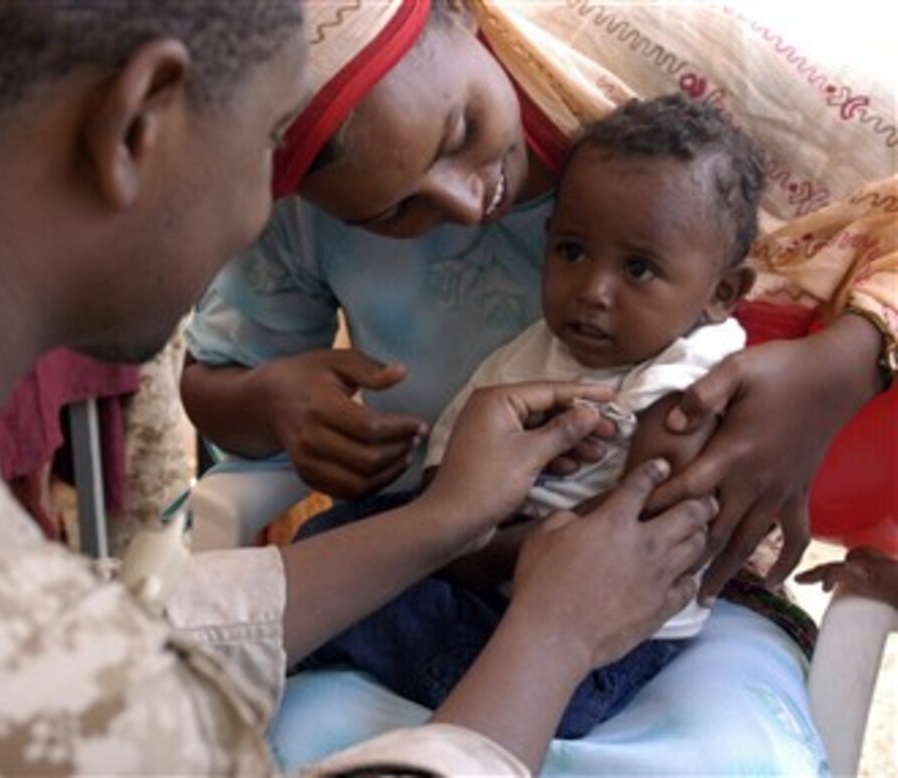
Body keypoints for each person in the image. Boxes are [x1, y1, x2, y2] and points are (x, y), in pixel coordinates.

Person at [0, 2, 712, 774]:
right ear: (138, 128)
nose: (266, 208)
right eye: (272, 139)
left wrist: (442, 523)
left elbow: (93, 636)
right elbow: (58, 673)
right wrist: (551, 640)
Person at [181, 0, 894, 770]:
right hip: (431, 542)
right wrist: (269, 403)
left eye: (460, 132)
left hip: (673, 586)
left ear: (463, 14)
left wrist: (849, 360)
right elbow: (208, 381)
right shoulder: (297, 208)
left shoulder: (659, 62)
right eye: (391, 211)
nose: (463, 203)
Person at [294, 93, 765, 738]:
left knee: (374, 610)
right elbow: (453, 471)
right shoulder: (541, 346)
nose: (593, 290)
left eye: (637, 268)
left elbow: (643, 526)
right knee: (333, 538)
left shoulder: (692, 372)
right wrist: (450, 521)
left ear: (720, 294)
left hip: (611, 621)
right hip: (500, 558)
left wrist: (479, 550)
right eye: (572, 252)